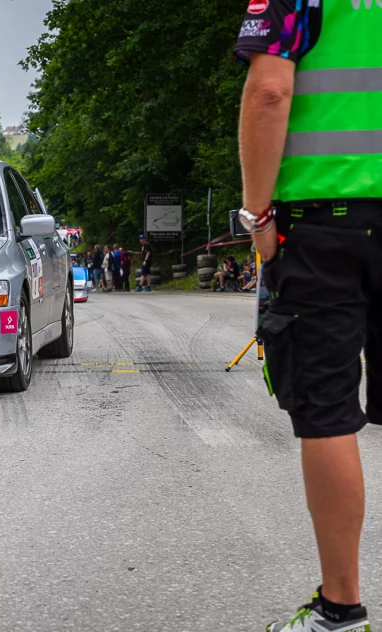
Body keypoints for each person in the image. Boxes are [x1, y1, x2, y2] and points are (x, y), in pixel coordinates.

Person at [235, 1, 380, 629]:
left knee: (327, 413)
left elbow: (269, 91)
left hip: (326, 227)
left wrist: (258, 217)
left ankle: (341, 611)